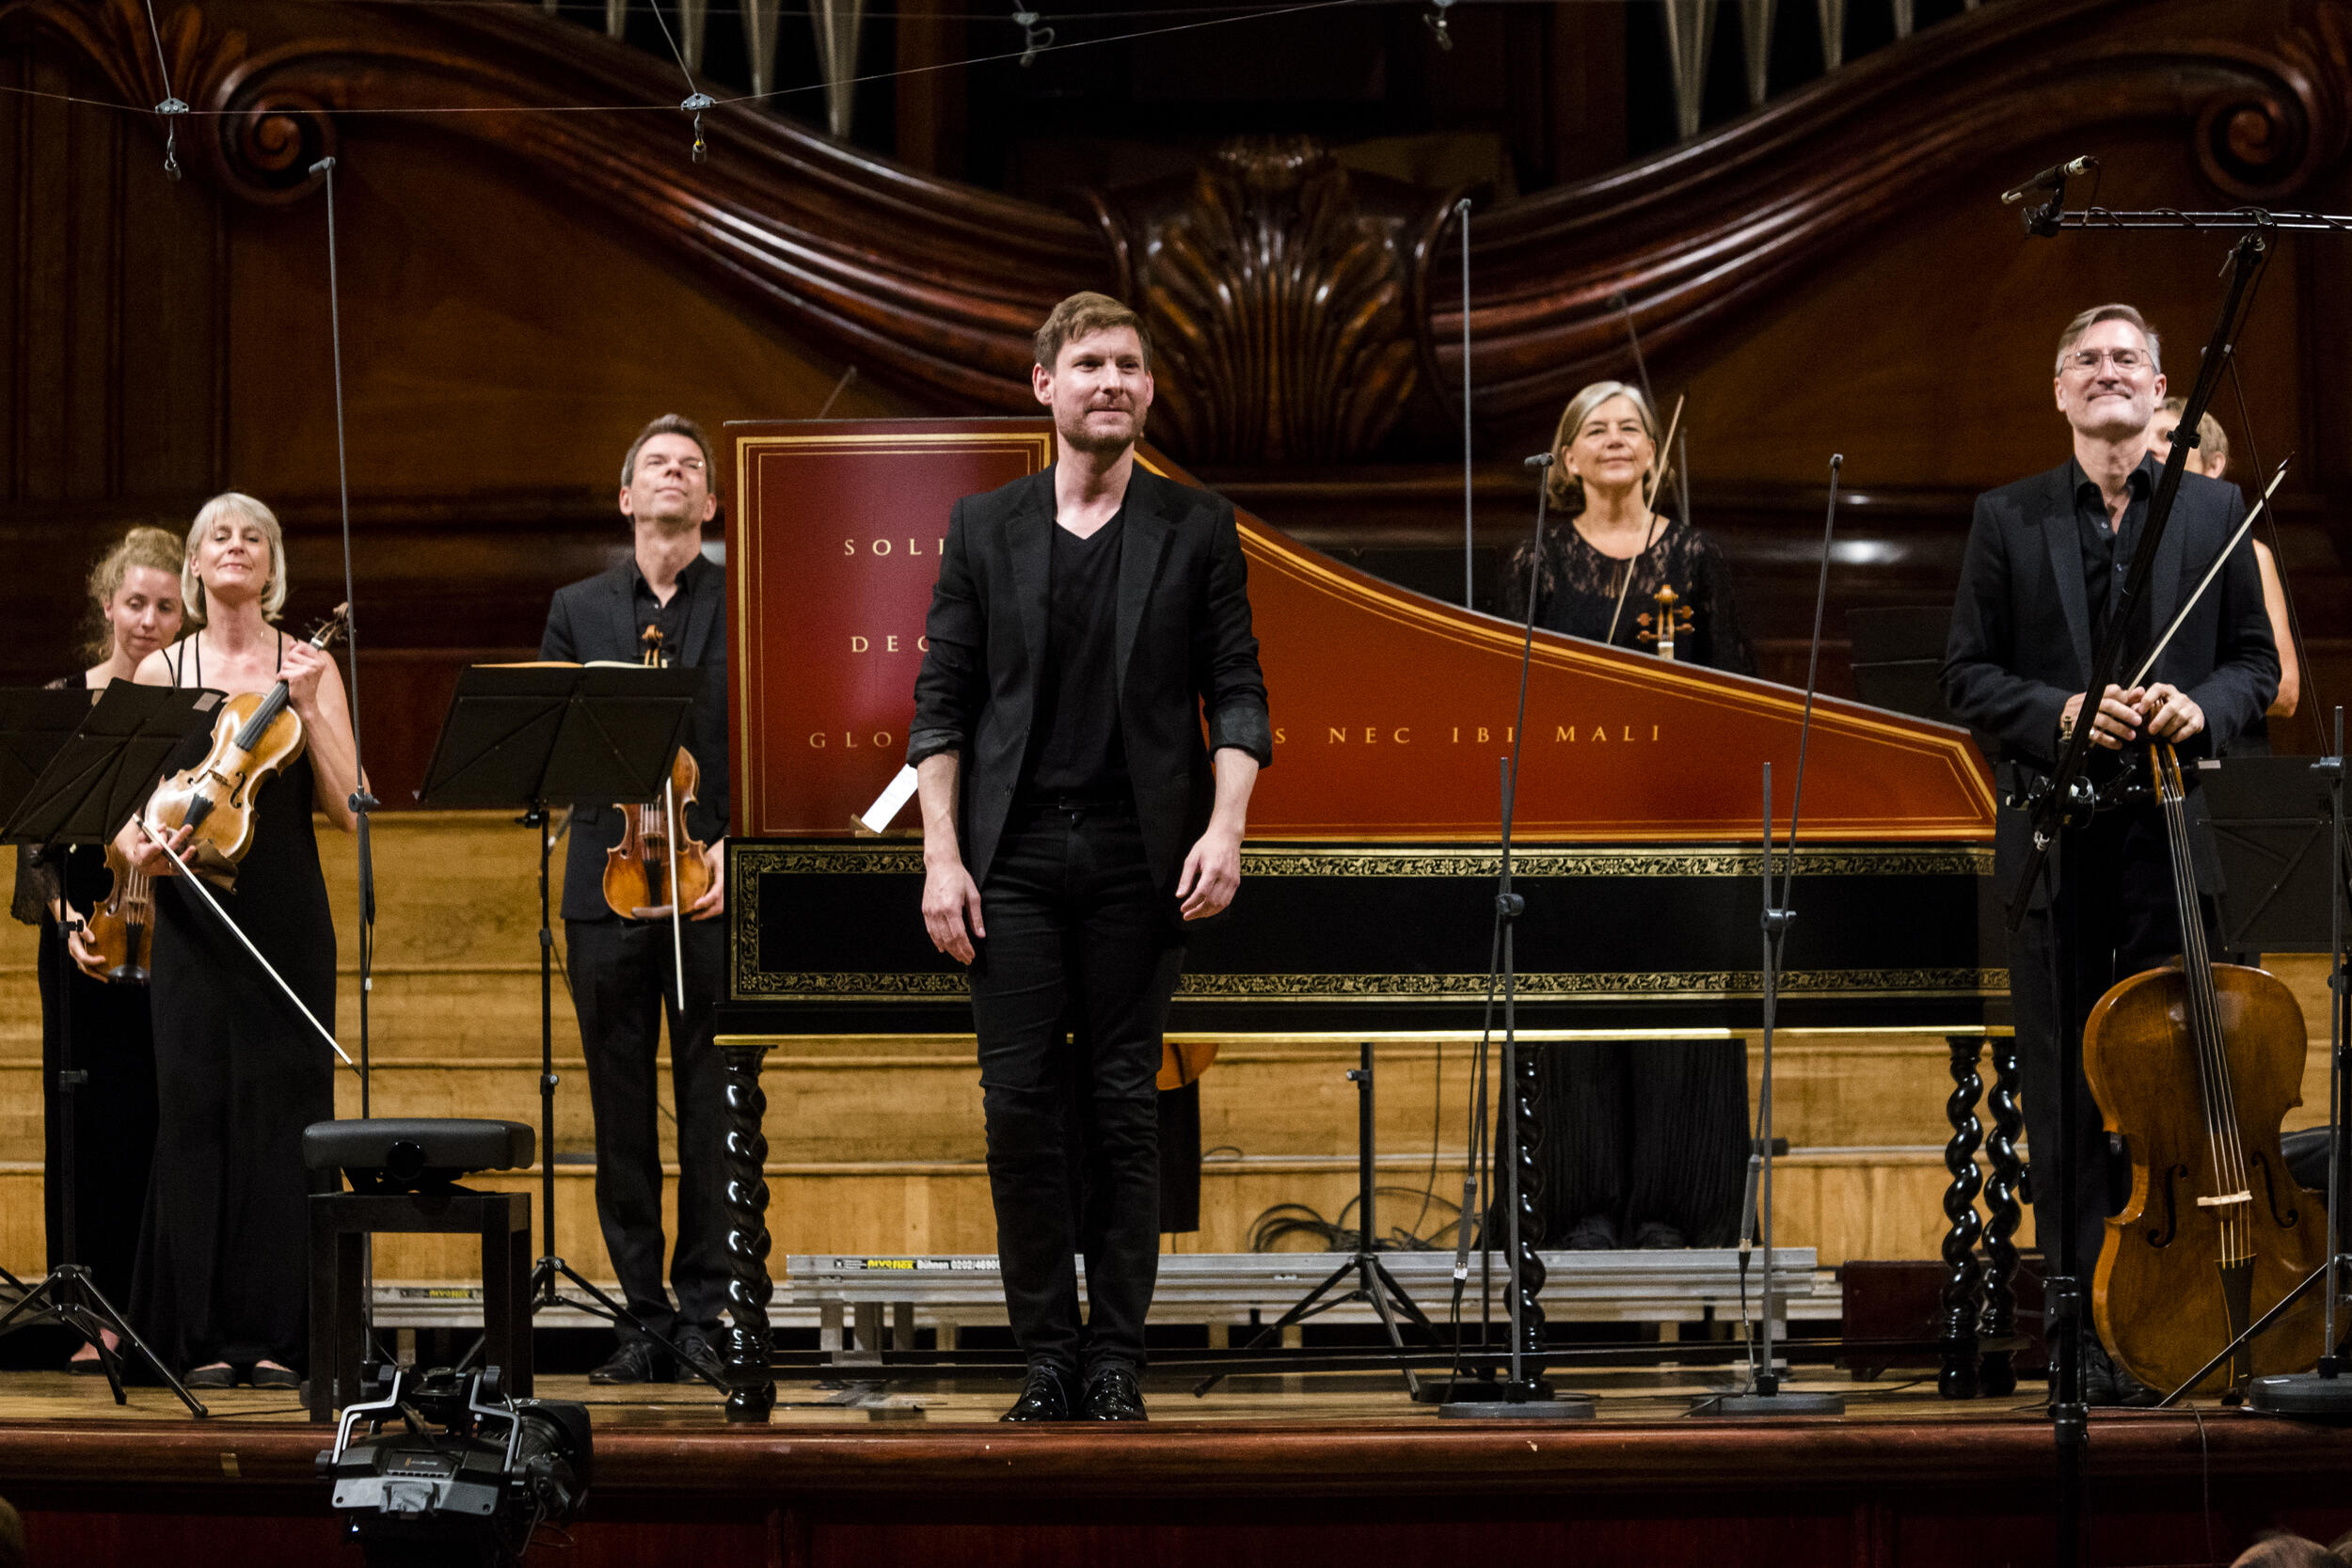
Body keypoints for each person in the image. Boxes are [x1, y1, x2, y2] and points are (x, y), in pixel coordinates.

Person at [911, 291, 1271, 1422]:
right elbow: (941, 704)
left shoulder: (1196, 525)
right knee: (1017, 1107)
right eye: (1087, 363)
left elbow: (1238, 690)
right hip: (1010, 856)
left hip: (1137, 853)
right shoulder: (984, 525)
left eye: (1126, 364)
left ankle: (1115, 1355)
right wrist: (940, 857)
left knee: (1123, 1106)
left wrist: (1225, 826)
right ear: (1044, 386)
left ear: (1147, 389)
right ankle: (1045, 1356)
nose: (1109, 380)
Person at [1942, 304, 2277, 1403]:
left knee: (2182, 1092)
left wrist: (2200, 704)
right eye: (2083, 358)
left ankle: (2187, 1315)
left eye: (2125, 357)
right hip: (2058, 842)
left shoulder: (2215, 509)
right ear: (2059, 391)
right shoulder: (2007, 515)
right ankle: (2081, 1331)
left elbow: (2253, 663)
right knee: (2065, 1103)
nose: (2105, 371)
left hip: (2171, 841)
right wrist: (2059, 710)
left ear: (2158, 385)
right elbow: (1966, 675)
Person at [1501, 381, 1754, 1251]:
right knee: (1574, 1017)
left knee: (1678, 1018)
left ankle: (1674, 1212)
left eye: (1631, 427)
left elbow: (1737, 689)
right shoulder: (1537, 563)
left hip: (1680, 820)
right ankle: (1576, 1210)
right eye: (1594, 429)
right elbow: (1509, 697)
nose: (1615, 438)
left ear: (1655, 451)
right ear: (1567, 459)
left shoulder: (1696, 557)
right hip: (1570, 821)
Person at [120, 493, 364, 1389]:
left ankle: (278, 1335)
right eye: (218, 535)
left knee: (283, 1118)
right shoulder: (161, 668)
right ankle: (195, 1332)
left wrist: (314, 704)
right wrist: (140, 847)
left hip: (286, 917)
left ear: (272, 564)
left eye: (252, 536)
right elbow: (124, 810)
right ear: (194, 562)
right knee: (194, 1113)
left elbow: (351, 807)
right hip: (193, 915)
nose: (235, 545)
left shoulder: (308, 664)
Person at [540, 414, 730, 1386]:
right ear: (626, 497)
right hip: (606, 884)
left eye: (690, 465)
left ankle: (706, 1314)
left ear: (711, 501)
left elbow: (761, 737)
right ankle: (643, 1318)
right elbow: (557, 746)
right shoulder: (577, 608)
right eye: (656, 462)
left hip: (710, 883)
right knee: (620, 1116)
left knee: (712, 1106)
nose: (674, 472)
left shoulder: (743, 603)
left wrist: (731, 842)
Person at [8, 526, 183, 1370]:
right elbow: (35, 840)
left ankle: (153, 1311)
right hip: (84, 933)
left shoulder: (192, 707)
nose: (149, 620)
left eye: (165, 607)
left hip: (171, 940)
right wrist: (65, 918)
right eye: (135, 603)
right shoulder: (65, 699)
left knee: (160, 1119)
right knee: (84, 1123)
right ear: (107, 605)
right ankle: (87, 1314)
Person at [2147, 398, 2298, 751]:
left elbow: (2286, 689)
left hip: (2224, 756)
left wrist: (2200, 702)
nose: (2150, 448)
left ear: (2213, 465)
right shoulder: (2131, 558)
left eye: (2168, 437)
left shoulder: (2250, 554)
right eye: (2143, 440)